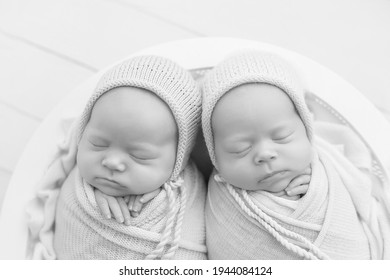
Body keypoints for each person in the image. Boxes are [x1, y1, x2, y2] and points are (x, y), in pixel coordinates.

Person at [201, 51, 389, 259]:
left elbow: (363, 193)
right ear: (214, 156)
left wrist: (319, 185)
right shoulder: (218, 198)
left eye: (282, 137)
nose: (265, 154)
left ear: (306, 128)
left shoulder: (328, 165)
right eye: (240, 149)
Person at [29, 55, 207, 260]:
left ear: (179, 161)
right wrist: (93, 198)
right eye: (98, 144)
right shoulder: (72, 179)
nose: (112, 162)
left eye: (140, 156)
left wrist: (159, 198)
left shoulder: (188, 192)